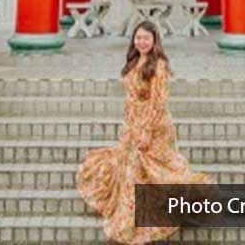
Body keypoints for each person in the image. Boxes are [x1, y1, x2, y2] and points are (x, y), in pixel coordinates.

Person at [77, 20, 212, 244]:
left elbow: (158, 102)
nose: (141, 42)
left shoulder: (158, 65)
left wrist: (147, 131)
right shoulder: (133, 61)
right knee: (133, 169)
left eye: (146, 38)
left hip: (154, 126)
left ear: (154, 40)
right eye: (138, 38)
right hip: (132, 124)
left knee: (155, 169)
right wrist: (129, 125)